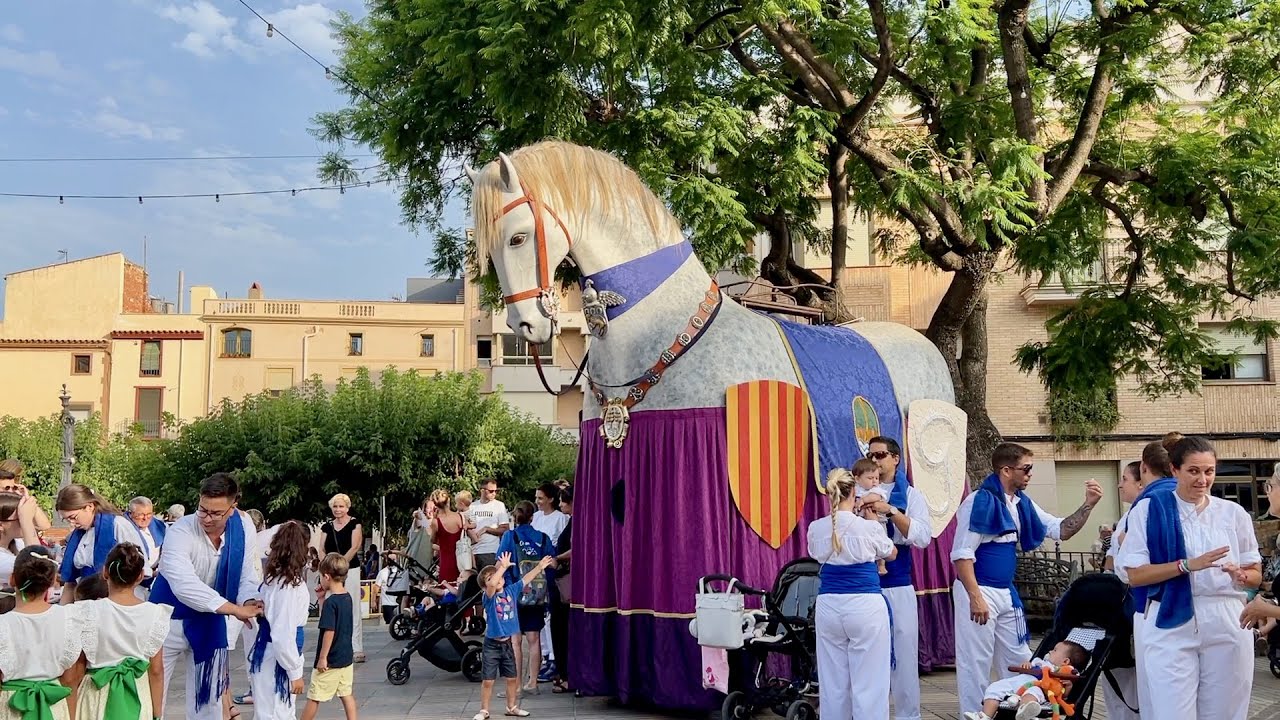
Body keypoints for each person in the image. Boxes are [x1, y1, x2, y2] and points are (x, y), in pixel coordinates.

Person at [951, 443, 1103, 715]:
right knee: (975, 662)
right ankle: (975, 715)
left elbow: (1061, 530)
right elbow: (962, 553)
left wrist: (1088, 506)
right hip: (979, 589)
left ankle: (1021, 708)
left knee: (1022, 660)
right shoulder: (979, 501)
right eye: (1027, 468)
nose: (1031, 474)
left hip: (1006, 593)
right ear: (1006, 470)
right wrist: (975, 597)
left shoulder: (1022, 504)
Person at [1118, 436, 1260, 719]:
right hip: (1171, 615)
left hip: (1227, 615)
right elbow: (1134, 575)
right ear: (1174, 470)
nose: (1202, 479)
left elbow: (1255, 575)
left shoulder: (1233, 513)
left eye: (1209, 471)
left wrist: (1240, 575)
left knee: (1226, 711)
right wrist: (1186, 565)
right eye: (1193, 471)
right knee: (1171, 711)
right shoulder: (1149, 509)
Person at [149, 473, 262, 720]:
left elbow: (245, 575)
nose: (207, 518)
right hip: (166, 617)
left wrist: (249, 600)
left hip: (210, 620)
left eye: (216, 513)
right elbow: (183, 584)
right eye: (203, 510)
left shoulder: (244, 527)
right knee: (151, 696)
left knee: (209, 699)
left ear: (233, 507)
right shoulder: (181, 529)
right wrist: (233, 609)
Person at [808, 468, 897, 719]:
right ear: (854, 492)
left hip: (829, 605)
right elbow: (891, 553)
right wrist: (873, 523)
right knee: (869, 683)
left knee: (833, 683)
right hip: (865, 604)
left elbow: (816, 554)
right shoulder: (867, 528)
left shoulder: (816, 528)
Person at [862, 436, 933, 720]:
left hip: (898, 580)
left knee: (903, 656)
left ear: (895, 458)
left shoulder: (911, 496)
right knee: (866, 656)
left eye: (880, 455)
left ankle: (908, 716)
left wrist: (891, 511)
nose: (876, 460)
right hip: (864, 583)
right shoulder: (859, 488)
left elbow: (923, 536)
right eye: (871, 455)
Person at [73, 543, 171, 720]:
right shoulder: (155, 613)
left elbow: (78, 667)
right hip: (137, 693)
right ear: (141, 576)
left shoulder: (86, 611)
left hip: (96, 694)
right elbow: (156, 670)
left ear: (105, 573)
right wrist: (157, 713)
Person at [0, 546, 86, 720]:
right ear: (53, 580)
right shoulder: (69, 619)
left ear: (12, 579)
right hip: (54, 706)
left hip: (13, 708)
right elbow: (70, 679)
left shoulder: (3, 625)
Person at [473, 552, 556, 720]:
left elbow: (526, 579)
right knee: (488, 680)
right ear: (485, 586)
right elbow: (491, 585)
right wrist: (501, 568)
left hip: (507, 644)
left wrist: (539, 567)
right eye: (489, 578)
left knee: (512, 678)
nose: (495, 579)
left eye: (495, 576)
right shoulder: (488, 597)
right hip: (491, 645)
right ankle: (484, 710)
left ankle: (512, 707)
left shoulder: (511, 591)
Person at [248, 522, 311, 720]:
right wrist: (294, 671)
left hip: (268, 650)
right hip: (277, 655)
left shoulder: (275, 579)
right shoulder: (290, 586)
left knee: (268, 710)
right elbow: (283, 634)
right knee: (278, 712)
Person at [496, 501, 556, 694]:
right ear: (532, 517)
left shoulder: (509, 536)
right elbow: (553, 564)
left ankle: (517, 686)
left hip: (515, 592)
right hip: (537, 595)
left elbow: (500, 564)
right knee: (534, 639)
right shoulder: (543, 538)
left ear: (515, 517)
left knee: (515, 642)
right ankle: (533, 684)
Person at [57, 484, 146, 603]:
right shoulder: (79, 535)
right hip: (84, 598)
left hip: (117, 598)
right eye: (67, 519)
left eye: (73, 517)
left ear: (89, 507)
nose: (71, 523)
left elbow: (137, 567)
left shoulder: (118, 525)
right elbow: (70, 581)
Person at [963, 640, 1091, 720]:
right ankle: (985, 716)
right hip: (1019, 682)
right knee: (995, 687)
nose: (1051, 650)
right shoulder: (1041, 662)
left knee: (1033, 692)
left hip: (1039, 687)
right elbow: (1028, 666)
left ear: (1065, 661)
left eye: (1055, 650)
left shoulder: (1067, 673)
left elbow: (1062, 694)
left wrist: (1068, 686)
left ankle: (1025, 712)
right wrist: (1027, 665)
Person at [300, 553, 357, 720]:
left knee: (314, 696)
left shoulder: (332, 603)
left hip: (330, 660)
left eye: (320, 577)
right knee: (346, 694)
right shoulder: (347, 597)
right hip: (346, 657)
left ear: (326, 576)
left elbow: (329, 630)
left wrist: (323, 657)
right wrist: (322, 598)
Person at [320, 494, 365, 664]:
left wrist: (341, 565)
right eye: (335, 507)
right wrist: (327, 566)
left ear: (347, 507)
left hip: (350, 569)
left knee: (352, 606)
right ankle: (332, 646)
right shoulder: (326, 526)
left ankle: (357, 646)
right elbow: (321, 549)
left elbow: (355, 546)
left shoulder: (355, 523)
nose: (338, 510)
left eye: (341, 506)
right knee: (331, 607)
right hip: (330, 572)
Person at [548, 486, 573, 694]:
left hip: (567, 581)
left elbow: (579, 547)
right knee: (559, 626)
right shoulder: (573, 521)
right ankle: (563, 671)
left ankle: (566, 674)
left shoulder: (577, 522)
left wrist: (558, 558)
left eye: (564, 501)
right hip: (563, 579)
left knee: (561, 627)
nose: (561, 505)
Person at [851, 458, 889, 575]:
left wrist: (863, 500)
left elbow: (876, 497)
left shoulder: (876, 490)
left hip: (878, 520)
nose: (874, 481)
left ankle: (881, 565)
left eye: (876, 478)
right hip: (860, 520)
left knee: (881, 539)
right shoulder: (855, 490)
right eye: (870, 478)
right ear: (857, 479)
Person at [465, 480, 510, 570]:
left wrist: (487, 529)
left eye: (496, 491)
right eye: (491, 491)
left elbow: (505, 529)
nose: (494, 494)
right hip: (472, 551)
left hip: (490, 550)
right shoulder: (472, 506)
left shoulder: (499, 506)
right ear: (482, 490)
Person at [126, 497, 166, 590]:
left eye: (149, 514)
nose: (145, 518)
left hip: (156, 575)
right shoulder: (125, 528)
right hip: (134, 580)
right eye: (140, 514)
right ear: (131, 514)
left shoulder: (160, 526)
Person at [0, 492, 39, 582]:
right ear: (1, 525)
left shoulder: (17, 542)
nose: (28, 520)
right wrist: (27, 522)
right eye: (20, 518)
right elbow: (39, 569)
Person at [0, 464, 52, 532]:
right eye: (7, 488)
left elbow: (44, 526)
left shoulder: (17, 503)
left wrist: (26, 498)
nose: (11, 491)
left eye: (14, 488)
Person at [427, 490, 464, 585]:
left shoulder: (436, 522)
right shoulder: (459, 516)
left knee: (446, 588)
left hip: (446, 560)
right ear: (448, 501)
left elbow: (432, 540)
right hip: (461, 558)